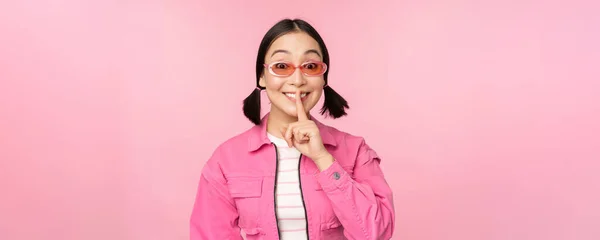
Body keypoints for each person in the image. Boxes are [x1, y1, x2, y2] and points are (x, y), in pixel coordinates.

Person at [190, 18, 395, 240]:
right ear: (262, 76)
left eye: (310, 66)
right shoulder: (226, 159)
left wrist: (323, 158)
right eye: (281, 66)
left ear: (323, 77)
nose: (297, 79)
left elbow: (375, 234)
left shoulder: (355, 151)